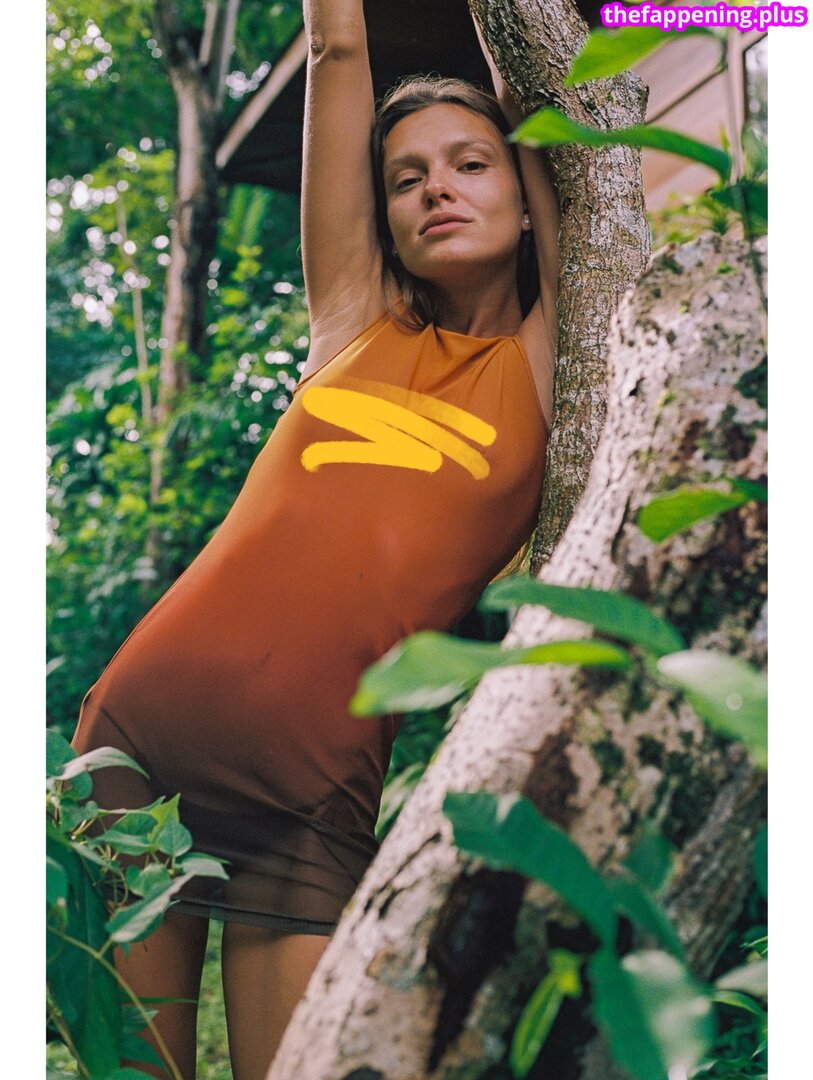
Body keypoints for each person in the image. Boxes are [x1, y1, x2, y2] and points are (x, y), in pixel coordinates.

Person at [70, 2, 560, 1077]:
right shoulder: (352, 320)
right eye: (405, 177)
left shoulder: (542, 365)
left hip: (314, 792)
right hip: (140, 744)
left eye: (470, 164)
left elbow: (544, 97)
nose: (435, 188)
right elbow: (337, 40)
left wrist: (516, 66)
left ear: (528, 202)